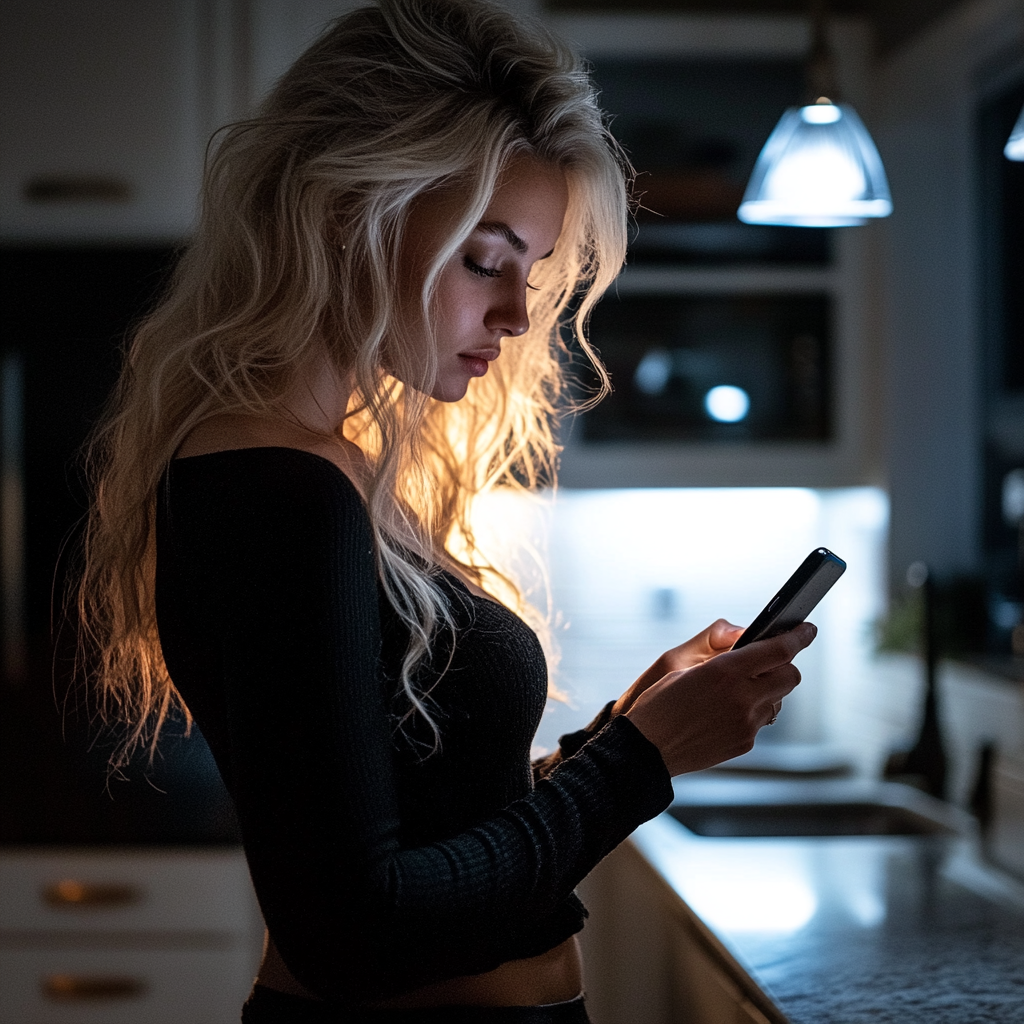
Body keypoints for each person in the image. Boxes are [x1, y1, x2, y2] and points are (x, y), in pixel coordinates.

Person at [75, 2, 814, 1021]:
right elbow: (357, 929)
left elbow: (434, 826)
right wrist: (643, 763)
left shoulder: (325, 468)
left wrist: (623, 734)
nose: (515, 317)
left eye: (530, 271)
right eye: (485, 259)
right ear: (350, 209)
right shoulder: (276, 491)